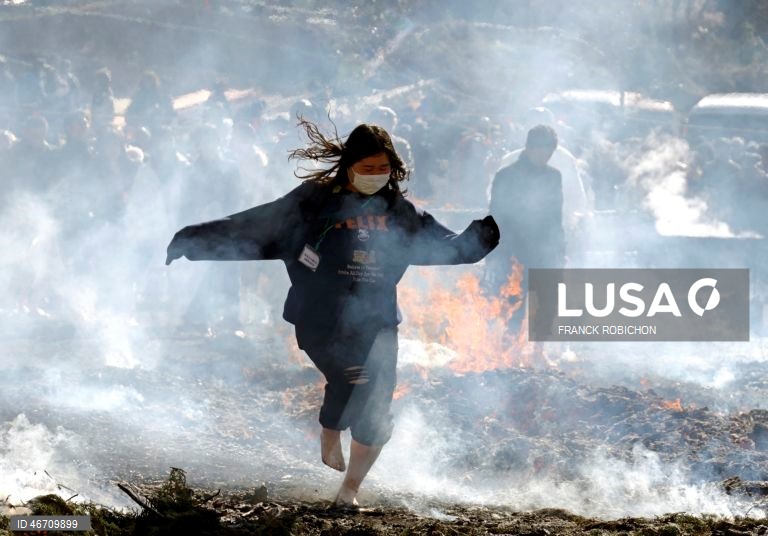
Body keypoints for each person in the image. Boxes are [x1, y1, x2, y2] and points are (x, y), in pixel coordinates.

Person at [165, 120, 500, 507]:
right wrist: (192, 238)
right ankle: (330, 427)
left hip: (378, 321)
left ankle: (349, 492)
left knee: (377, 404)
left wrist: (480, 240)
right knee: (354, 379)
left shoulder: (400, 212)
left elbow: (446, 246)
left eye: (383, 169)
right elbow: (257, 225)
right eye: (368, 168)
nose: (376, 176)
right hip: (321, 318)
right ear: (349, 166)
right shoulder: (313, 202)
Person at [485, 125, 564, 335]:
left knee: (547, 301)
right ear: (528, 147)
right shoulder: (506, 176)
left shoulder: (553, 176)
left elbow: (556, 217)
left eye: (549, 151)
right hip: (513, 249)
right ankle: (508, 349)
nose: (544, 156)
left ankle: (539, 352)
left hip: (544, 249)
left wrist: (560, 251)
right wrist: (498, 253)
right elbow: (496, 216)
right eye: (541, 150)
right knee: (513, 302)